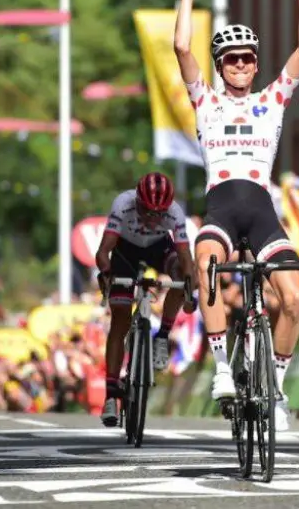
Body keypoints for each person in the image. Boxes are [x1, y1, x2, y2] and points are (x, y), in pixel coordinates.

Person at [173, 0, 299, 431]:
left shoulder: (272, 100)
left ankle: (276, 390)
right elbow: (180, 45)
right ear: (220, 66)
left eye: (247, 57)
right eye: (231, 58)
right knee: (208, 265)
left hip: (261, 212)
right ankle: (221, 370)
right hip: (220, 210)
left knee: (294, 297)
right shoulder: (205, 100)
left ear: (256, 64)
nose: (240, 64)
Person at [94, 172, 197, 427]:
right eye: (146, 211)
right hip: (125, 252)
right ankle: (111, 394)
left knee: (182, 275)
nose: (152, 218)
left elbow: (186, 258)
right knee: (120, 319)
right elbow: (104, 251)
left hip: (158, 248)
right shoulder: (123, 203)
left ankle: (162, 336)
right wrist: (106, 273)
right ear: (137, 202)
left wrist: (189, 289)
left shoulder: (175, 213)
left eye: (158, 214)